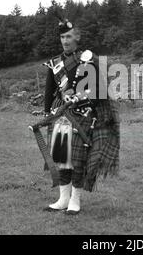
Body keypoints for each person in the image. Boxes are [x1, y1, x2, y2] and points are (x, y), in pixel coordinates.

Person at [42, 19, 120, 215]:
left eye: (68, 36)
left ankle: (75, 200)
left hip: (83, 115)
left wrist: (81, 99)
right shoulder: (55, 63)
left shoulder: (89, 59)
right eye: (62, 37)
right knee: (61, 157)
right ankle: (62, 199)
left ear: (77, 37)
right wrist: (46, 114)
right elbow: (50, 90)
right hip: (61, 113)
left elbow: (98, 91)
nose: (65, 41)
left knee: (77, 160)